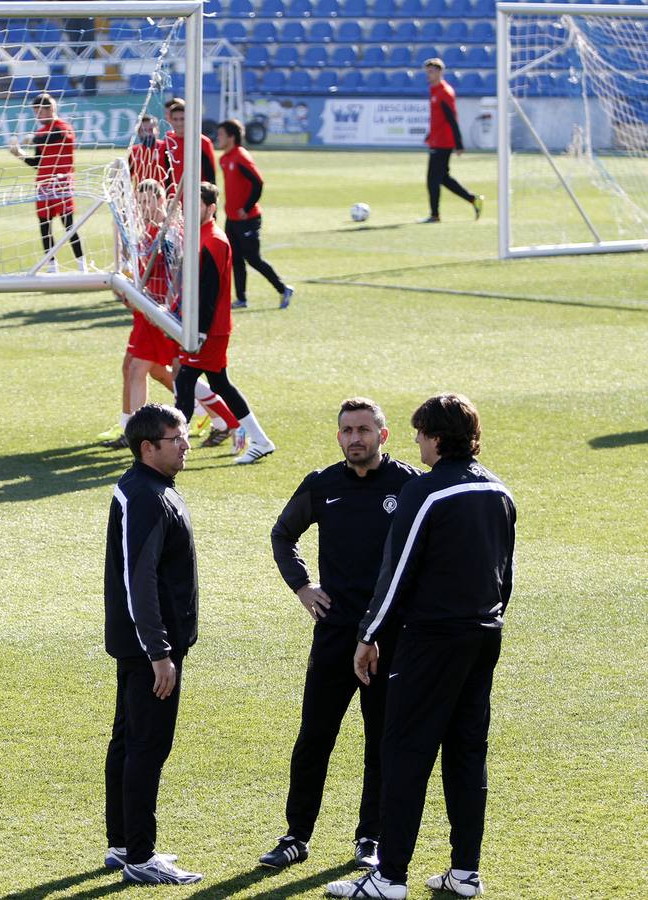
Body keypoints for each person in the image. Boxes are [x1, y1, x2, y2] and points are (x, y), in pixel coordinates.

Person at [327, 393, 516, 900]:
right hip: (484, 635)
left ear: (436, 437)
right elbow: (506, 575)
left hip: (431, 642)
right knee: (466, 751)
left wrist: (368, 635)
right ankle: (465, 872)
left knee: (405, 751)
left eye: (420, 432)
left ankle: (389, 877)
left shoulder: (427, 492)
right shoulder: (499, 489)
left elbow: (396, 575)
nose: (415, 441)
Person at [261, 399, 421, 872]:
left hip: (388, 637)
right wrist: (303, 586)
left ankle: (369, 837)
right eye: (348, 430)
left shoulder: (410, 485)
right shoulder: (322, 484)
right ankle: (296, 835)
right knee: (314, 737)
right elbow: (282, 534)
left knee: (381, 741)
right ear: (339, 437)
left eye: (365, 430)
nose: (356, 438)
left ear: (383, 436)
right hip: (334, 635)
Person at [102, 403, 202, 886]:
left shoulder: (149, 488)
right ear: (148, 447)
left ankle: (122, 844)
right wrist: (159, 652)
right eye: (175, 439)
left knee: (128, 742)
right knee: (146, 746)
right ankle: (140, 855)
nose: (186, 445)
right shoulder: (145, 495)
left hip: (141, 643)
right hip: (150, 648)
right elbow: (137, 579)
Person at [172, 182, 276, 464]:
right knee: (215, 382)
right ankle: (260, 439)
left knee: (186, 381)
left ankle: (171, 448)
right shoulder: (200, 235)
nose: (188, 209)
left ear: (211, 208)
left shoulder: (214, 240)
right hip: (206, 327)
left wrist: (201, 330)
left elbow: (210, 288)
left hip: (210, 329)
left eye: (196, 204)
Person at [104, 179, 182, 450]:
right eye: (141, 202)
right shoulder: (150, 231)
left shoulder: (169, 232)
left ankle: (133, 435)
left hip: (158, 313)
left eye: (149, 201)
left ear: (161, 201)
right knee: (148, 370)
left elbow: (174, 274)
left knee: (138, 369)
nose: (144, 207)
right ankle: (213, 412)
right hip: (146, 310)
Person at [215, 119, 294, 311]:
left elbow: (258, 183)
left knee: (254, 259)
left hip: (247, 219)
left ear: (231, 137)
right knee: (235, 260)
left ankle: (283, 288)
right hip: (232, 219)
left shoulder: (241, 156)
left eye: (221, 135)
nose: (218, 138)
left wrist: (247, 207)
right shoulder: (224, 159)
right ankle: (241, 298)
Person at [8, 93, 87, 273]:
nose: (37, 115)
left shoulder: (63, 127)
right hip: (43, 184)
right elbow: (38, 162)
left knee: (68, 225)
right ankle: (52, 266)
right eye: (35, 111)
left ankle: (82, 264)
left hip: (62, 185)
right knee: (44, 226)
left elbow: (56, 137)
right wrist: (19, 154)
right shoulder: (40, 132)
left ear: (50, 109)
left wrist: (33, 139)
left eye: (39, 111)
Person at [421, 59, 483, 224]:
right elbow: (439, 118)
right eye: (427, 72)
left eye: (432, 71)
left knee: (432, 179)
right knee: (443, 178)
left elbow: (452, 119)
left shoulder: (444, 92)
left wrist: (459, 143)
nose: (429, 75)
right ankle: (473, 199)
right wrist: (430, 134)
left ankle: (435, 215)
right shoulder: (434, 90)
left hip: (443, 142)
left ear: (440, 72)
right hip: (437, 140)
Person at [162, 98, 216, 191]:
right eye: (175, 119)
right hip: (174, 198)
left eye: (183, 119)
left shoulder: (202, 142)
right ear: (170, 120)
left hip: (197, 198)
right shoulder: (167, 143)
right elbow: (164, 174)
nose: (179, 123)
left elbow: (211, 174)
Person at [128, 114, 169, 187]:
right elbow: (128, 177)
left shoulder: (165, 147)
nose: (147, 133)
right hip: (141, 195)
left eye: (150, 130)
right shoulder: (134, 151)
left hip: (163, 193)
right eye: (144, 130)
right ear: (139, 132)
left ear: (157, 130)